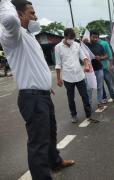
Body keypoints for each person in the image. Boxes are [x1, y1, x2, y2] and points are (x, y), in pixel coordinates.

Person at [0, 0, 74, 179]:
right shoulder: (12, 34)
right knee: (38, 143)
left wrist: (45, 86)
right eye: (31, 13)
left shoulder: (27, 34)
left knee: (50, 133)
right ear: (19, 15)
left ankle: (55, 162)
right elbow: (9, 18)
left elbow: (34, 65)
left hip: (41, 94)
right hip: (32, 98)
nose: (36, 16)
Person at [55, 28, 92, 123]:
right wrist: (58, 79)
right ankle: (74, 115)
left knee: (85, 96)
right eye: (70, 38)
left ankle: (89, 114)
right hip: (68, 77)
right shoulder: (58, 47)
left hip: (79, 75)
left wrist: (87, 65)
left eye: (73, 38)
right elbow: (58, 64)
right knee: (71, 98)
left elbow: (83, 57)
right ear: (65, 36)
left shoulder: (76, 45)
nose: (71, 40)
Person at [85, 30, 108, 110]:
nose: (95, 39)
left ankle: (99, 102)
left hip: (99, 69)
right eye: (93, 37)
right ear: (90, 36)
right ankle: (89, 104)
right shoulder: (85, 45)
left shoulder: (100, 46)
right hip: (89, 70)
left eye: (96, 37)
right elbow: (78, 47)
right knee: (89, 88)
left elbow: (106, 55)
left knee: (100, 87)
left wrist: (100, 58)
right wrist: (83, 41)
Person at [98, 36, 114, 103]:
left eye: (95, 37)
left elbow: (110, 55)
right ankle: (104, 98)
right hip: (97, 68)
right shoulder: (91, 45)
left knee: (109, 83)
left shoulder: (104, 43)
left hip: (105, 67)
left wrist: (110, 65)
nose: (94, 38)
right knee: (100, 85)